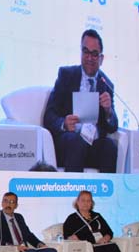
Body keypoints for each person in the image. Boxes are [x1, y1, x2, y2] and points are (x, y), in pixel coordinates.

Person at [43, 28, 120, 173]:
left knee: (110, 147)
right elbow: (49, 116)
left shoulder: (106, 84)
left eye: (94, 54)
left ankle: (106, 188)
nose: (89, 58)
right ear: (81, 52)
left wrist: (108, 111)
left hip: (92, 145)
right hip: (68, 143)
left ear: (101, 58)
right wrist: (64, 123)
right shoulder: (66, 75)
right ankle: (72, 188)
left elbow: (113, 126)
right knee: (76, 142)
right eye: (85, 52)